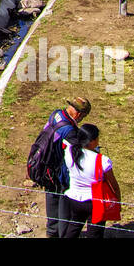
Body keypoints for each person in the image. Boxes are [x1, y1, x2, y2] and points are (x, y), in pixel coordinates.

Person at [40, 97, 91, 238]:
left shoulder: (56, 114)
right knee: (63, 207)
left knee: (51, 199)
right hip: (58, 173)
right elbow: (78, 154)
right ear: (79, 114)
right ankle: (61, 234)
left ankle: (51, 232)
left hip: (45, 167)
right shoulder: (69, 131)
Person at [59, 124, 119, 238]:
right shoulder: (102, 161)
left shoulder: (70, 152)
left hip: (74, 198)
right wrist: (118, 200)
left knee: (74, 226)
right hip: (95, 202)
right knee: (95, 233)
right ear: (92, 141)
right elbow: (113, 184)